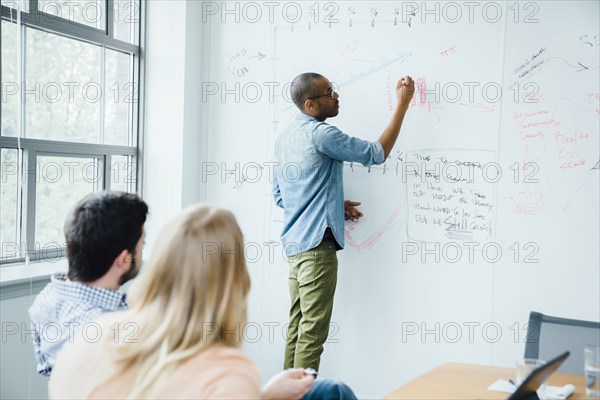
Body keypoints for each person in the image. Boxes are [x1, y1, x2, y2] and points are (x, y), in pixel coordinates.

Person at [48, 204, 356, 399]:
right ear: (234, 281)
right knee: (335, 393)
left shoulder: (89, 335)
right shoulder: (227, 370)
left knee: (329, 391)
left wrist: (262, 395)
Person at [273, 72, 415, 371]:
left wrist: (333, 205)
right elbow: (376, 154)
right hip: (316, 250)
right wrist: (402, 105)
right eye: (328, 92)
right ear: (311, 105)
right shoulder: (322, 134)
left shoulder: (285, 138)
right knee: (312, 335)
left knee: (298, 329)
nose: (336, 95)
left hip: (296, 248)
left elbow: (282, 195)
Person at [29, 190, 148, 377]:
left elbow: (46, 369)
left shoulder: (45, 299)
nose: (142, 255)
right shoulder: (115, 328)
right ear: (123, 259)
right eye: (143, 245)